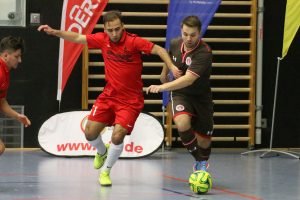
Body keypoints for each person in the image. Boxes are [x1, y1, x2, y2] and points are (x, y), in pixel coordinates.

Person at [37, 10, 180, 186]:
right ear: (104, 29)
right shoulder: (102, 40)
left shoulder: (134, 41)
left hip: (130, 100)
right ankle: (102, 151)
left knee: (118, 136)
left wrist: (171, 66)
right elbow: (77, 38)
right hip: (109, 96)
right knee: (90, 133)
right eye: (110, 30)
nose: (114, 33)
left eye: (117, 29)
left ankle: (106, 171)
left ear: (123, 27)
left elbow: (159, 49)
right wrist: (55, 32)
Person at [146, 16, 214, 172]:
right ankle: (200, 163)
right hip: (180, 94)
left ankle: (202, 160)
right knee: (182, 123)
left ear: (199, 33)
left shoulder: (204, 53)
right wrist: (164, 73)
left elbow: (188, 80)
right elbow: (169, 56)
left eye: (193, 35)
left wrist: (162, 87)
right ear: (181, 31)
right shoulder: (176, 43)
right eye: (185, 34)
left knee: (204, 140)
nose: (188, 38)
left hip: (201, 97)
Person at [0, 36, 31, 155]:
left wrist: (17, 116)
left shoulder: (5, 72)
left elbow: (1, 101)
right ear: (6, 55)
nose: (20, 60)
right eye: (17, 56)